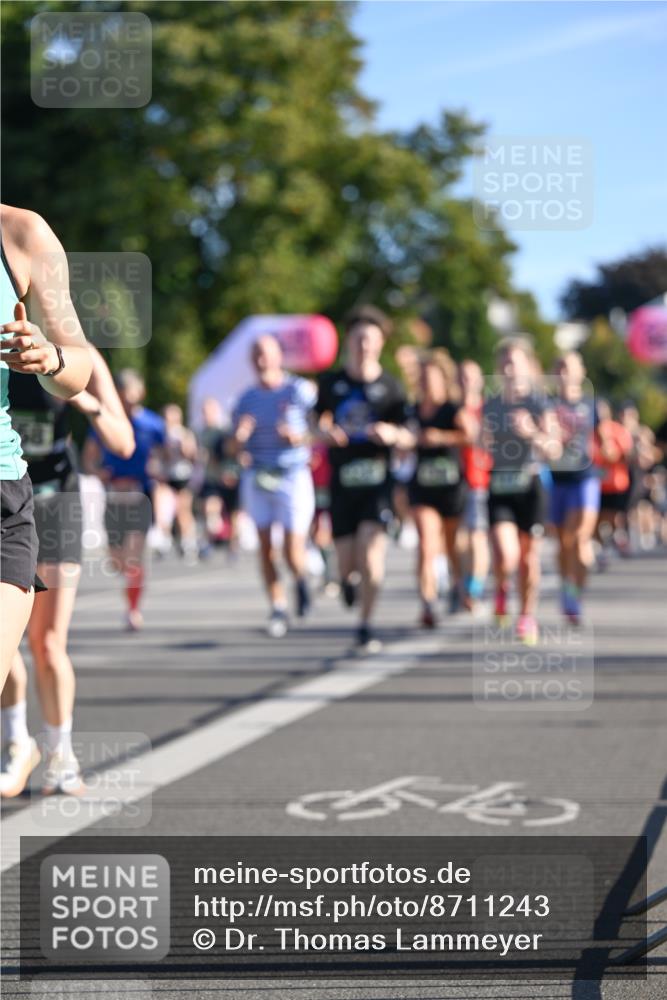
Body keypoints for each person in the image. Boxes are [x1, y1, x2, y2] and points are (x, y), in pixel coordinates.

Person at [1, 347, 134, 798]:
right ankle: (18, 740)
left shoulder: (77, 351)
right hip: (4, 501)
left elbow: (123, 442)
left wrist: (82, 397)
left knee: (46, 639)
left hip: (55, 500)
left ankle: (60, 753)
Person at [1, 205, 92, 691]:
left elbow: (79, 367)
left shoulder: (21, 234)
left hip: (5, 496)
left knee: (46, 643)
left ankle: (50, 749)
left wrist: (49, 356)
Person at [315, 306, 414, 652]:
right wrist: (325, 431)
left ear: (381, 344)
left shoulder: (391, 387)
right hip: (343, 485)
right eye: (358, 339)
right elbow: (315, 422)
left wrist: (392, 433)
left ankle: (366, 624)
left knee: (372, 558)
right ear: (349, 342)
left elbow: (409, 434)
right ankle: (345, 581)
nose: (364, 346)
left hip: (377, 484)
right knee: (347, 562)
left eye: (370, 340)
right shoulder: (331, 383)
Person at [231, 335, 315, 638]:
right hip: (259, 475)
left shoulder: (299, 390)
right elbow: (230, 446)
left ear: (279, 356)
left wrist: (300, 437)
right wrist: (239, 437)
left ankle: (302, 580)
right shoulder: (245, 399)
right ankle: (278, 606)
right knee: (265, 548)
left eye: (265, 353)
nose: (260, 359)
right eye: (255, 353)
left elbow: (321, 427)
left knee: (293, 549)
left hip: (292, 474)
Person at [484, 337, 561, 644]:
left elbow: (554, 449)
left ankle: (526, 616)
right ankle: (502, 588)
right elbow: (480, 443)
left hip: (530, 484)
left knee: (529, 559)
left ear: (527, 367)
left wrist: (532, 433)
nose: (509, 369)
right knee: (506, 554)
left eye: (514, 363)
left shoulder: (540, 403)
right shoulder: (491, 404)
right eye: (504, 363)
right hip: (500, 484)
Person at [81, 369, 166, 631]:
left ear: (140, 393)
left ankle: (132, 610)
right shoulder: (104, 421)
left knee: (133, 558)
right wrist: (98, 472)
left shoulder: (152, 424)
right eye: (121, 396)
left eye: (131, 396)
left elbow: (167, 458)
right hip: (114, 497)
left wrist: (159, 468)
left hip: (141, 496)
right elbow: (88, 458)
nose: (127, 401)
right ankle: (132, 592)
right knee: (117, 561)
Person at [408, 351, 471, 628]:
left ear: (442, 380)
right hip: (421, 486)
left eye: (430, 378)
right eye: (422, 378)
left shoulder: (452, 409)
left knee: (451, 544)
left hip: (451, 486)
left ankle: (458, 585)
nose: (425, 383)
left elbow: (471, 436)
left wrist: (441, 437)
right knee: (426, 541)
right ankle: (428, 601)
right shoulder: (412, 410)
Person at [549, 352, 600, 624]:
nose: (564, 372)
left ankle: (576, 595)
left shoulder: (592, 404)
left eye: (569, 367)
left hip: (585, 478)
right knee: (563, 543)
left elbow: (603, 439)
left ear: (582, 372)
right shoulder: (547, 404)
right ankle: (567, 588)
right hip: (557, 480)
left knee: (580, 538)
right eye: (559, 367)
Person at [458, 359, 492, 612]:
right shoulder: (448, 410)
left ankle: (474, 589)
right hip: (451, 484)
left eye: (470, 376)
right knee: (458, 541)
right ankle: (459, 584)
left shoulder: (488, 410)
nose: (465, 381)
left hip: (479, 480)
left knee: (476, 537)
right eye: (461, 376)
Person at [153, 403, 198, 560]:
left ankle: (188, 541)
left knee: (182, 509)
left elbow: (192, 455)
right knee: (164, 509)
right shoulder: (160, 434)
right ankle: (165, 540)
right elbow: (157, 455)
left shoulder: (185, 434)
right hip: (166, 476)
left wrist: (182, 446)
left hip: (183, 475)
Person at [196, 397, 241, 557]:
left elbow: (233, 454)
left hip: (229, 478)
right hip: (212, 479)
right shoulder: (200, 433)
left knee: (234, 514)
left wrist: (230, 472)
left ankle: (233, 546)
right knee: (210, 507)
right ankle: (208, 540)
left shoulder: (225, 432)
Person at [592, 399, 633, 566]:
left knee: (612, 518)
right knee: (594, 520)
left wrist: (610, 448)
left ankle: (616, 537)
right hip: (594, 484)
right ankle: (601, 549)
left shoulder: (618, 430)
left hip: (616, 484)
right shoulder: (587, 432)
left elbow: (626, 455)